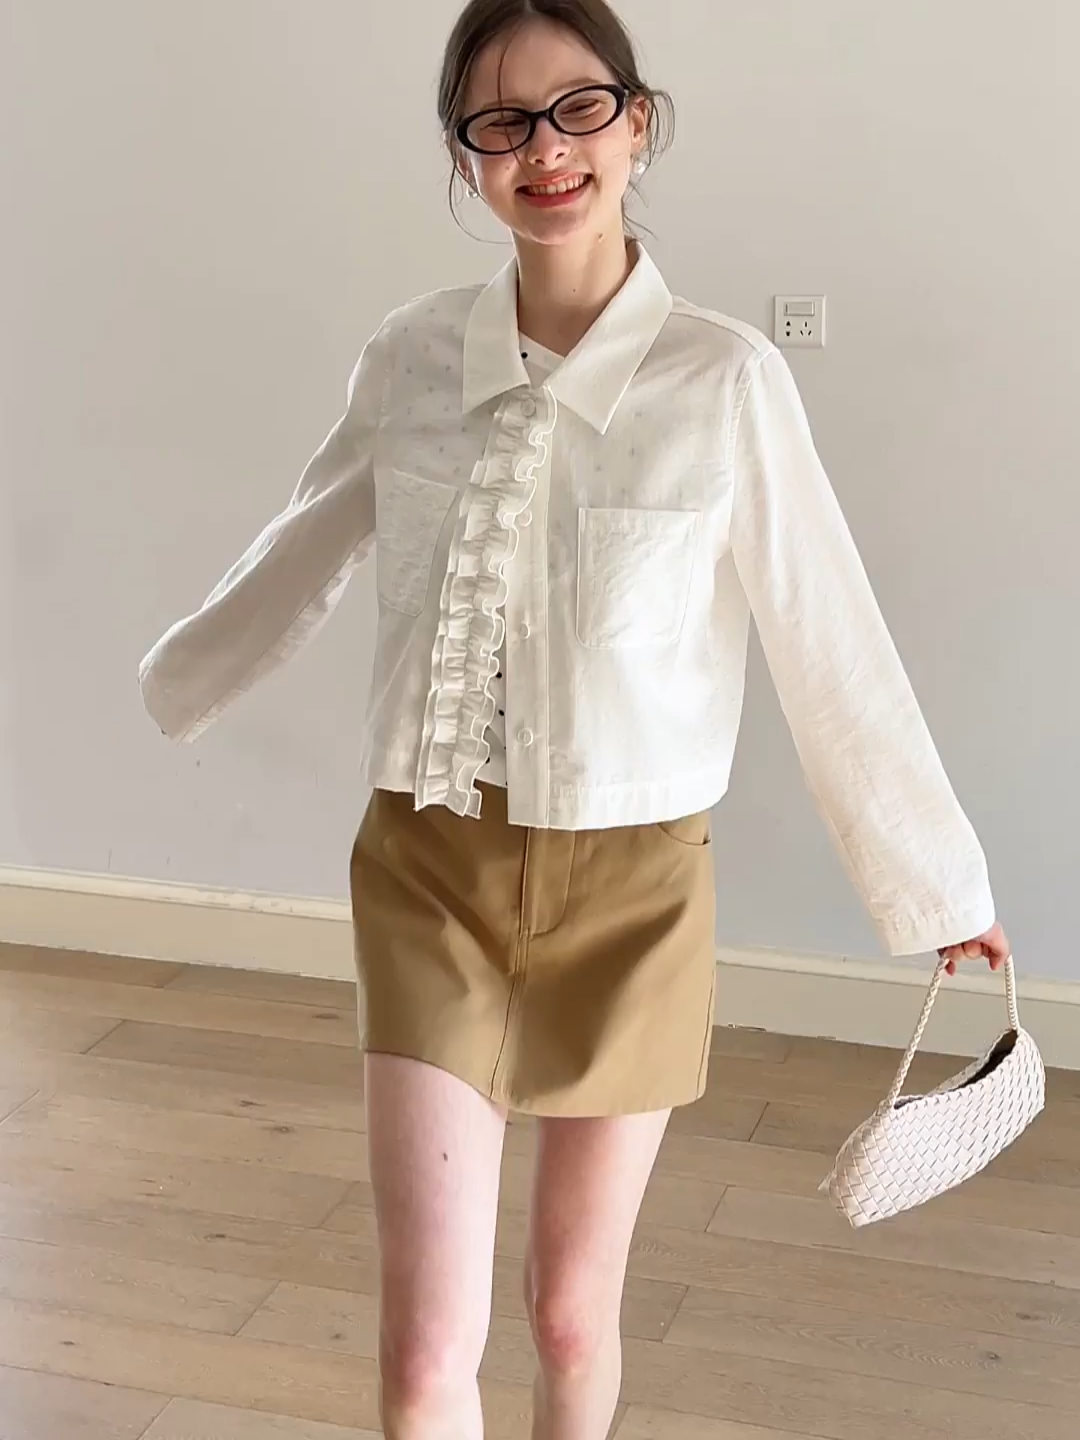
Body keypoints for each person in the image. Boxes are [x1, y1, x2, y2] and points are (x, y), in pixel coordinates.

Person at [139, 1, 1011, 1435]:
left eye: (578, 108)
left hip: (633, 891)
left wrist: (936, 884)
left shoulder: (725, 380)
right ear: (464, 157)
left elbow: (827, 626)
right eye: (501, 121)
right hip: (428, 868)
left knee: (568, 1314)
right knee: (427, 1348)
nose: (544, 148)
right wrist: (181, 680)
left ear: (636, 123)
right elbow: (306, 537)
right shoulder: (412, 357)